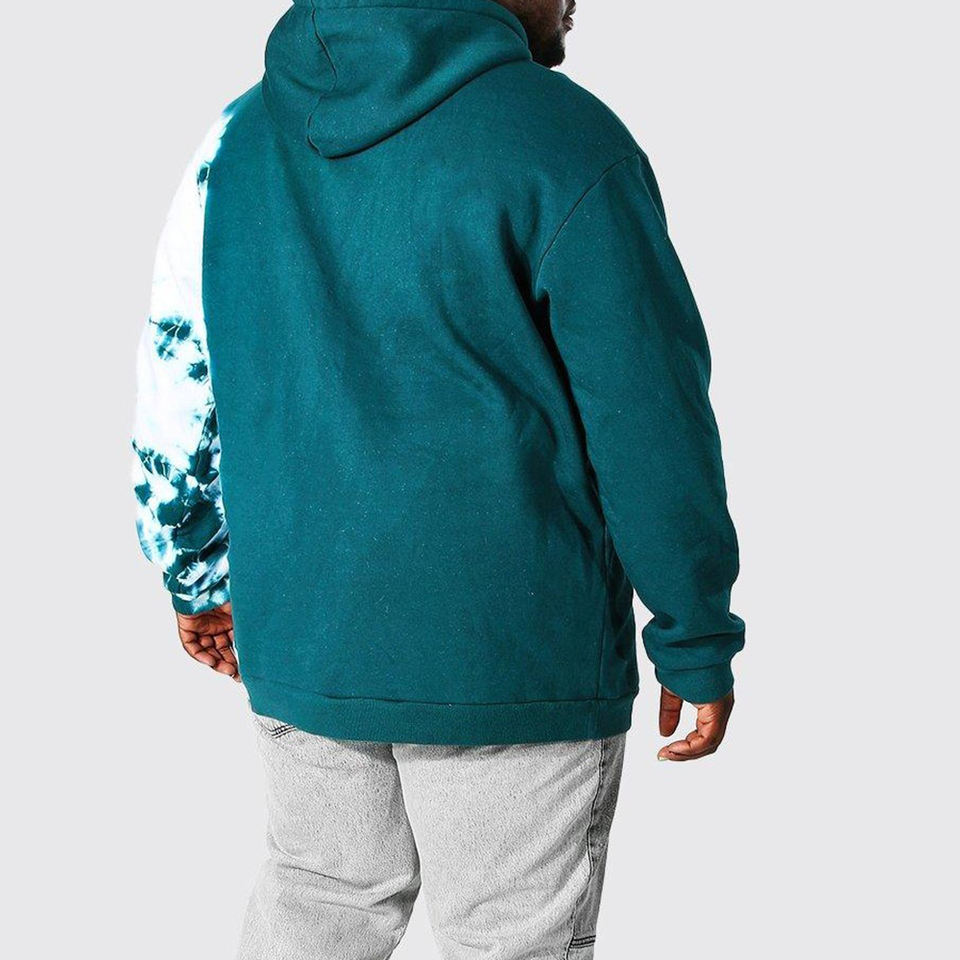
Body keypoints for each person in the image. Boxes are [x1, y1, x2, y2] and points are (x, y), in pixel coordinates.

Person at [132, 1, 745, 956]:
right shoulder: (564, 138)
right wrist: (695, 630)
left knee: (318, 902)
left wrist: (195, 575)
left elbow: (180, 374)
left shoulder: (242, 134)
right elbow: (648, 416)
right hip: (509, 650)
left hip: (304, 635)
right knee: (509, 937)